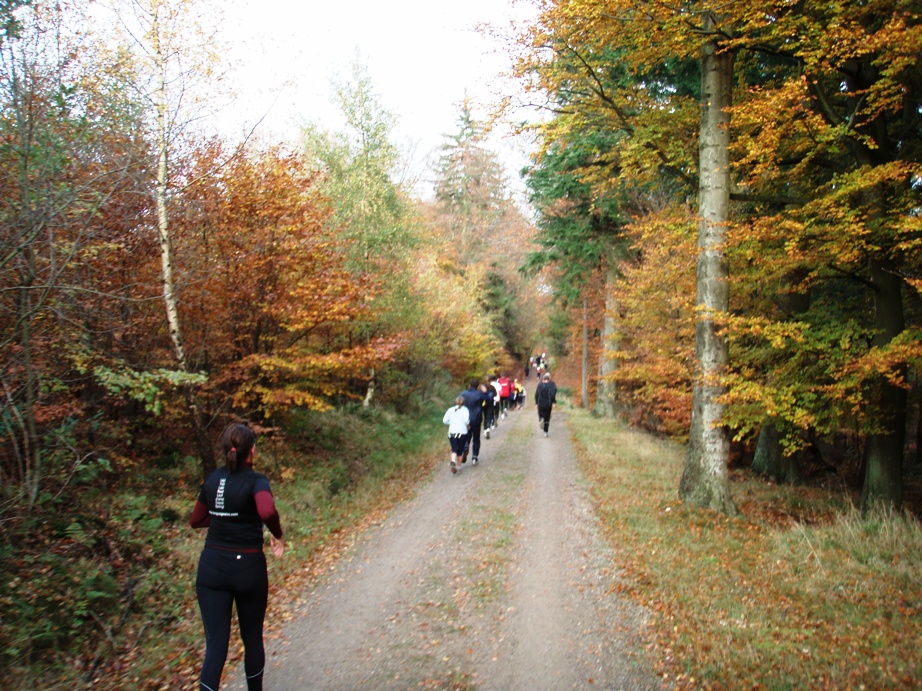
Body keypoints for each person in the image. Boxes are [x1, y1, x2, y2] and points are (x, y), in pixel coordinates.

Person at [190, 422, 285, 691]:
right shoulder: (257, 481)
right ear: (252, 450)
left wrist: (223, 519)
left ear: (225, 450)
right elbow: (266, 511)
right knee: (252, 638)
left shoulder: (212, 480)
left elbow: (196, 520)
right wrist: (277, 534)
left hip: (211, 569)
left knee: (216, 645)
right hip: (248, 570)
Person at [459, 378, 489, 465]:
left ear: (469, 385)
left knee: (466, 436)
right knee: (476, 438)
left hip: (465, 419)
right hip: (476, 418)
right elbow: (489, 399)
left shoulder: (463, 393)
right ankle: (474, 457)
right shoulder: (479, 394)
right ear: (478, 386)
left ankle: (465, 447)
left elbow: (456, 403)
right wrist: (485, 392)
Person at [443, 395, 470, 474]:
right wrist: (468, 424)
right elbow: (466, 421)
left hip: (452, 432)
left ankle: (453, 460)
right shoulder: (465, 410)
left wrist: (451, 423)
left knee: (454, 449)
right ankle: (459, 466)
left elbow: (444, 420)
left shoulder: (450, 410)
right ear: (463, 403)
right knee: (460, 450)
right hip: (462, 432)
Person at [535, 372, 557, 437]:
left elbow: (536, 394)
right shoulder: (551, 385)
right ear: (549, 379)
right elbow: (553, 395)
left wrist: (536, 403)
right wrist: (554, 402)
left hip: (540, 403)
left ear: (543, 379)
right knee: (547, 418)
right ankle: (545, 431)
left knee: (541, 414)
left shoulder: (539, 385)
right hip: (548, 404)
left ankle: (541, 418)